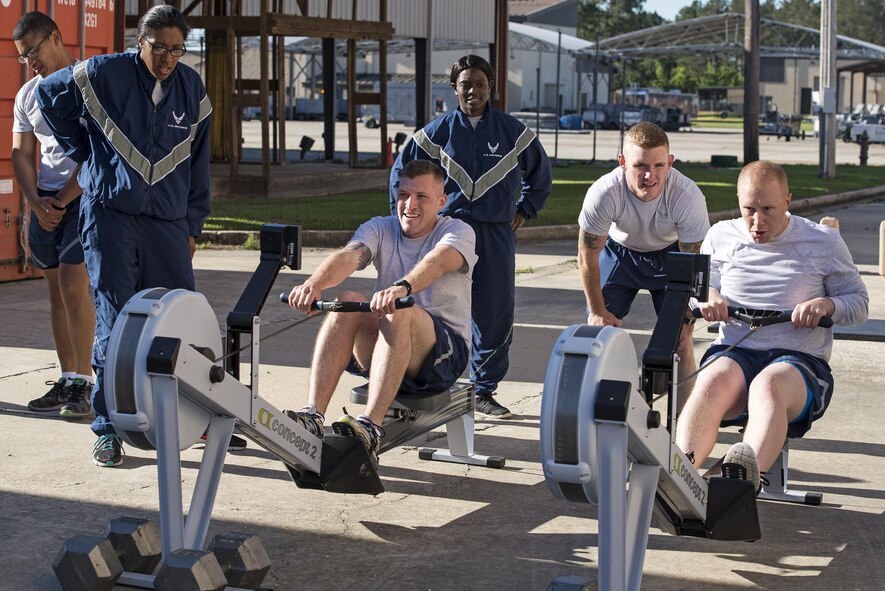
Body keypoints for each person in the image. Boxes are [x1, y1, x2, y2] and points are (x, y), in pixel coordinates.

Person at [35, 5, 245, 466]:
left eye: (177, 49)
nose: (169, 58)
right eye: (160, 48)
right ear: (139, 42)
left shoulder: (192, 89)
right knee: (115, 323)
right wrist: (88, 153)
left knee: (182, 322)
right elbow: (47, 96)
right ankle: (108, 426)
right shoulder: (102, 73)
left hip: (168, 224)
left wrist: (193, 224)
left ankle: (197, 417)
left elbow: (198, 164)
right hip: (111, 216)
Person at [675, 160, 868, 491]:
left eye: (768, 209)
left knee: (768, 385)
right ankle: (680, 477)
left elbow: (859, 304)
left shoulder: (824, 242)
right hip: (736, 351)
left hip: (799, 363)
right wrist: (709, 296)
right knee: (711, 382)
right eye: (749, 209)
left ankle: (734, 487)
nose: (757, 221)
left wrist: (827, 304)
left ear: (788, 202)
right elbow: (696, 293)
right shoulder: (721, 235)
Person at [390, 54, 552, 419]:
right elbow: (402, 173)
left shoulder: (514, 132)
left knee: (495, 310)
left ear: (490, 85)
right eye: (466, 84)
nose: (473, 90)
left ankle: (483, 389)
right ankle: (424, 387)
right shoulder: (435, 133)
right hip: (448, 232)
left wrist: (526, 209)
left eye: (480, 83)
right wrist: (406, 217)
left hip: (496, 234)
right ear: (454, 89)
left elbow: (541, 175)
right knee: (432, 306)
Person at [287, 160, 476, 462]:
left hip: (443, 358)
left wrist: (402, 287)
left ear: (441, 202)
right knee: (347, 299)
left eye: (421, 197)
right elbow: (351, 256)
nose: (409, 205)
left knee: (401, 308)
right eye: (403, 195)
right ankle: (312, 415)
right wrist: (314, 284)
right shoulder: (380, 227)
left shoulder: (457, 231)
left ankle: (371, 427)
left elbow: (438, 262)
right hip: (387, 346)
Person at [577, 122, 709, 407]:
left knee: (681, 341)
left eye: (659, 166)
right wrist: (598, 311)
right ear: (622, 162)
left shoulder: (687, 197)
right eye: (640, 166)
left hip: (672, 257)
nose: (650, 176)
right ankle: (598, 410)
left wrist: (687, 314)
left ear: (670, 163)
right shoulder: (604, 192)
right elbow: (587, 255)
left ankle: (686, 429)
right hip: (620, 253)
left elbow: (694, 262)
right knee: (597, 332)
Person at [11, 12, 95, 419]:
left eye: (34, 51)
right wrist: (33, 200)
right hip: (42, 202)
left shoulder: (88, 83)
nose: (31, 61)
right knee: (55, 294)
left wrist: (61, 199)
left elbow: (96, 152)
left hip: (79, 199)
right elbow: (22, 153)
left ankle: (86, 383)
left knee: (73, 286)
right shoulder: (27, 94)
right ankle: (69, 378)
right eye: (23, 56)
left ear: (56, 37)